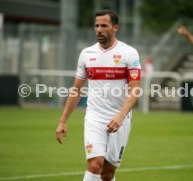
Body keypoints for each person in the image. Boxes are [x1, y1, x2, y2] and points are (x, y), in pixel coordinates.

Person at [56, 10, 141, 181]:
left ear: (115, 27)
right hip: (94, 117)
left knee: (107, 174)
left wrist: (120, 116)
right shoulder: (86, 54)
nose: (99, 30)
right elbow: (76, 90)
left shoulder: (129, 53)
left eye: (104, 25)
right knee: (95, 164)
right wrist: (63, 120)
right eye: (96, 26)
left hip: (120, 119)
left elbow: (135, 90)